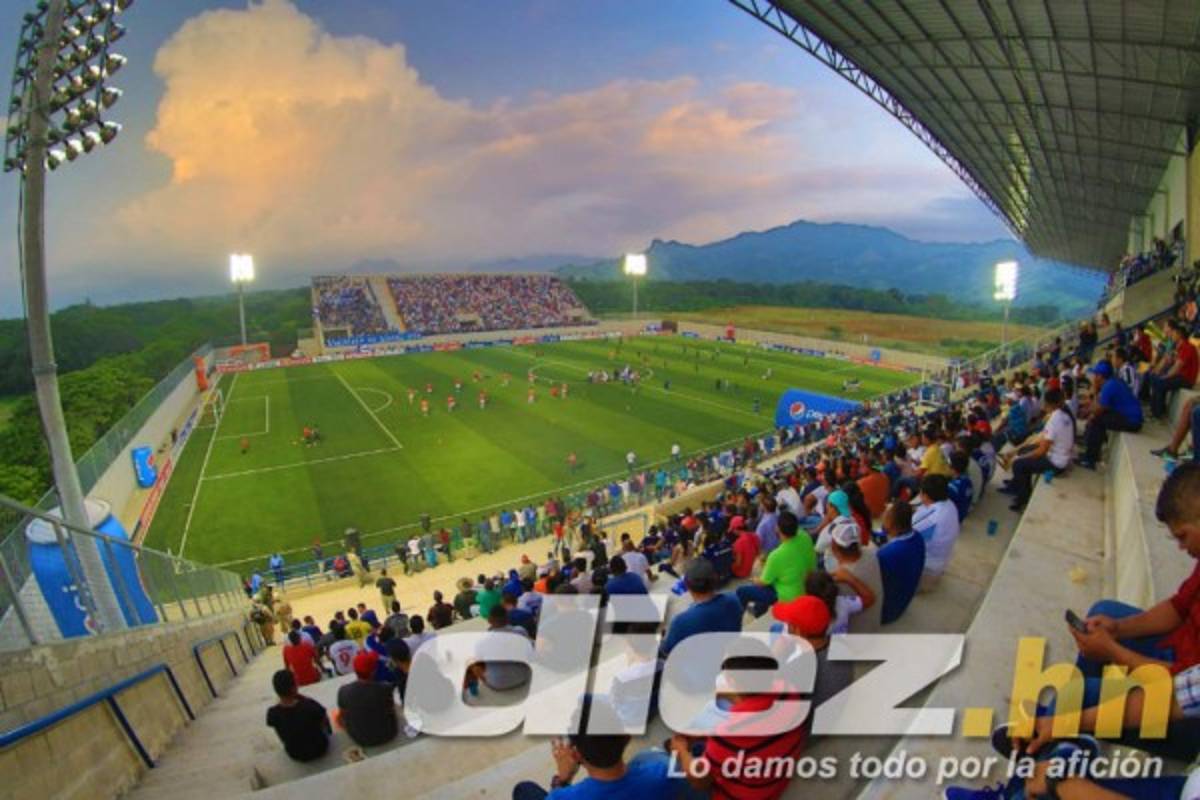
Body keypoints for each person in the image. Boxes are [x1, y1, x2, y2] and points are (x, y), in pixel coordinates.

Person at [1068, 463, 1200, 697]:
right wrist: (1118, 629)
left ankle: (1073, 716)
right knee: (1104, 611)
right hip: (1178, 651)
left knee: (1080, 699)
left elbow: (1184, 691)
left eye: (1183, 536)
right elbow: (1178, 607)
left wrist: (1112, 651)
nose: (1181, 547)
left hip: (1184, 698)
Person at [668, 655, 807, 800]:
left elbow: (699, 781)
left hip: (742, 794)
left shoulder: (727, 735)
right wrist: (706, 734)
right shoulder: (788, 689)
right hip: (776, 774)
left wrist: (681, 750)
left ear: (732, 682)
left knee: (658, 766)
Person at [513, 695, 676, 799]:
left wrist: (563, 779)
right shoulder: (662, 773)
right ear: (627, 738)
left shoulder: (563, 797)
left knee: (524, 790)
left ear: (576, 756)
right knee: (646, 757)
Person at [1002, 388, 1073, 512]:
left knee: (1019, 465)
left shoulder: (1054, 421)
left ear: (1049, 404)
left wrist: (1019, 458)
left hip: (1056, 463)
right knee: (1025, 452)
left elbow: (1041, 452)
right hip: (1060, 455)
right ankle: (1019, 486)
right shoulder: (1064, 415)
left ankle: (1022, 500)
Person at [736, 511, 816, 618]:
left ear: (778, 529)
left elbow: (763, 582)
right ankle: (759, 610)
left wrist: (754, 580)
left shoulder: (776, 556)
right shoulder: (805, 535)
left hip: (788, 596)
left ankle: (741, 619)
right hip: (807, 584)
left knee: (741, 591)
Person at [660, 560, 743, 657]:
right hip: (726, 653)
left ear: (687, 586)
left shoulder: (681, 622)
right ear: (716, 580)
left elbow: (667, 650)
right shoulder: (734, 600)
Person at [1080, 360, 1143, 469]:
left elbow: (1097, 410)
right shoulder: (1112, 382)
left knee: (1097, 419)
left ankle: (1090, 459)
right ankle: (1091, 452)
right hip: (1129, 418)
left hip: (1132, 422)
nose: (1094, 377)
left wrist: (1088, 411)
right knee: (1098, 417)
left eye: (1095, 375)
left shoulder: (1109, 386)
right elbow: (1100, 405)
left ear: (1100, 376)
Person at [336, 650, 399, 747]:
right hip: (388, 734)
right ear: (373, 671)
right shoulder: (385, 688)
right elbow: (390, 709)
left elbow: (341, 717)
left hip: (360, 739)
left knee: (338, 716)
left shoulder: (344, 690)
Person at [876, 501, 925, 625]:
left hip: (886, 612)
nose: (882, 516)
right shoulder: (917, 537)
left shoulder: (887, 554)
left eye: (886, 516)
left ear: (893, 524)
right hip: (903, 603)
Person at [266, 669, 330, 763]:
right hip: (320, 748)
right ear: (293, 688)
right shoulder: (309, 705)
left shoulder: (272, 713)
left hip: (294, 753)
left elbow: (279, 732)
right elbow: (324, 719)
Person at [912, 474, 961, 590]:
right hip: (939, 565)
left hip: (925, 571)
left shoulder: (930, 518)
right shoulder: (950, 504)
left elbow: (903, 534)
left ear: (925, 495)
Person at [1149, 319, 1199, 419]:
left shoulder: (1188, 347)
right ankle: (1157, 411)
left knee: (1159, 382)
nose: (1172, 335)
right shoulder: (1179, 347)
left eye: (1174, 333)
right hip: (1180, 376)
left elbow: (1177, 367)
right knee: (1155, 380)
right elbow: (1170, 361)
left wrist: (1165, 377)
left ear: (1180, 334)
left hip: (1186, 380)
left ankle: (1157, 414)